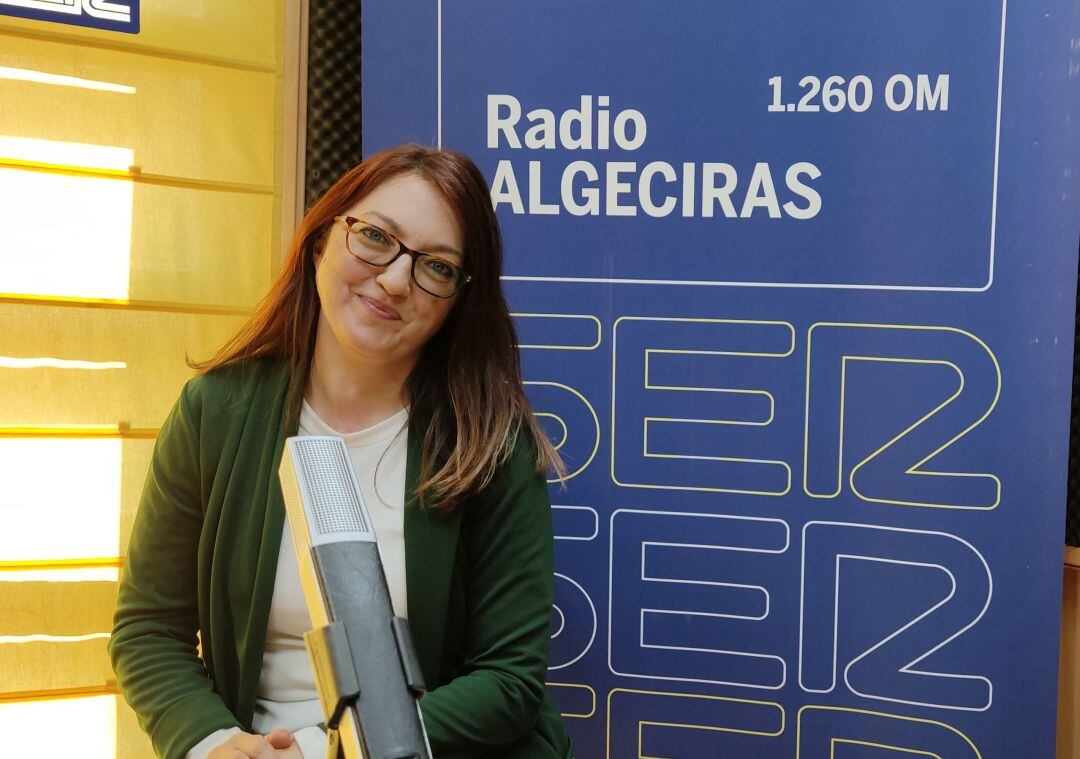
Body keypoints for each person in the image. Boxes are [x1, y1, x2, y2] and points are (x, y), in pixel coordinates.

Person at [109, 145, 573, 759]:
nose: (394, 279)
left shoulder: (490, 444)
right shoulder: (213, 412)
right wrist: (213, 742)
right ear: (323, 238)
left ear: (458, 301)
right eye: (376, 237)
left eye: (435, 267)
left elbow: (508, 682)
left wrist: (319, 749)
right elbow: (148, 630)